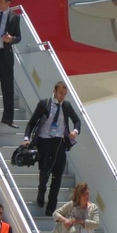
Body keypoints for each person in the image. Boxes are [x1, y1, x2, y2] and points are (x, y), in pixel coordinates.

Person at [23, 81, 81, 216]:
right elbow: (32, 123)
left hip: (59, 143)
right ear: (54, 91)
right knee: (44, 172)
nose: (62, 96)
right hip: (44, 142)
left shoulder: (66, 106)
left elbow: (77, 121)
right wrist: (26, 138)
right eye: (60, 93)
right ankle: (41, 191)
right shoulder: (44, 104)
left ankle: (51, 205)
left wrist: (75, 131)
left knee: (57, 175)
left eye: (64, 94)